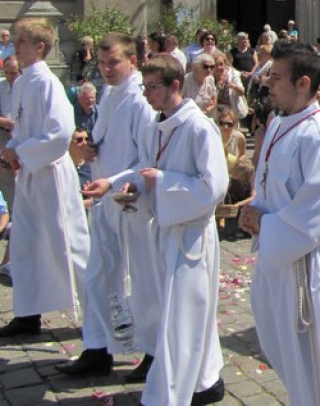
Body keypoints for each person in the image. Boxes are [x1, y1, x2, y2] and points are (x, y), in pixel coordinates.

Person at [83, 55, 227, 406]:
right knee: (178, 312)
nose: (146, 94)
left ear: (175, 86)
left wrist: (161, 182)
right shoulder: (157, 126)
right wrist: (121, 185)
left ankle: (178, 390)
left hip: (191, 235)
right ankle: (204, 382)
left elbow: (214, 188)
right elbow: (144, 170)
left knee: (186, 314)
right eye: (145, 86)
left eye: (152, 87)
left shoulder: (198, 127)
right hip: (165, 232)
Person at [239, 40, 320, 406]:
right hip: (280, 256)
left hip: (309, 265)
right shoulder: (280, 124)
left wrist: (269, 224)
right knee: (296, 360)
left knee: (319, 361)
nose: (268, 84)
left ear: (304, 83)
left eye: (276, 77)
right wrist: (255, 214)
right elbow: (272, 185)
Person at [56, 33, 161, 382]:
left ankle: (152, 351)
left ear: (133, 60)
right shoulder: (108, 94)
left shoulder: (141, 103)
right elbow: (104, 140)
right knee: (98, 276)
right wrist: (90, 152)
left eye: (114, 62)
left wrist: (115, 181)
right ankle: (97, 346)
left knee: (140, 282)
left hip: (131, 204)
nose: (107, 69)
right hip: (104, 201)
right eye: (102, 63)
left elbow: (146, 160)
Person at [0, 17, 89, 338]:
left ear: (40, 47)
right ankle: (27, 314)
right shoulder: (20, 83)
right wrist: (12, 149)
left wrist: (22, 152)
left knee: (67, 243)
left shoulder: (48, 83)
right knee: (25, 244)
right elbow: (22, 129)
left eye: (21, 41)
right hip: (30, 175)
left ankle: (98, 311)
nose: (15, 46)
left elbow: (60, 134)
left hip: (52, 175)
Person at [0, 57, 20, 213]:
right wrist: (11, 123)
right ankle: (9, 213)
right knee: (5, 173)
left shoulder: (26, 88)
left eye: (13, 73)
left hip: (23, 136)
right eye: (6, 72)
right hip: (4, 134)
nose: (9, 76)